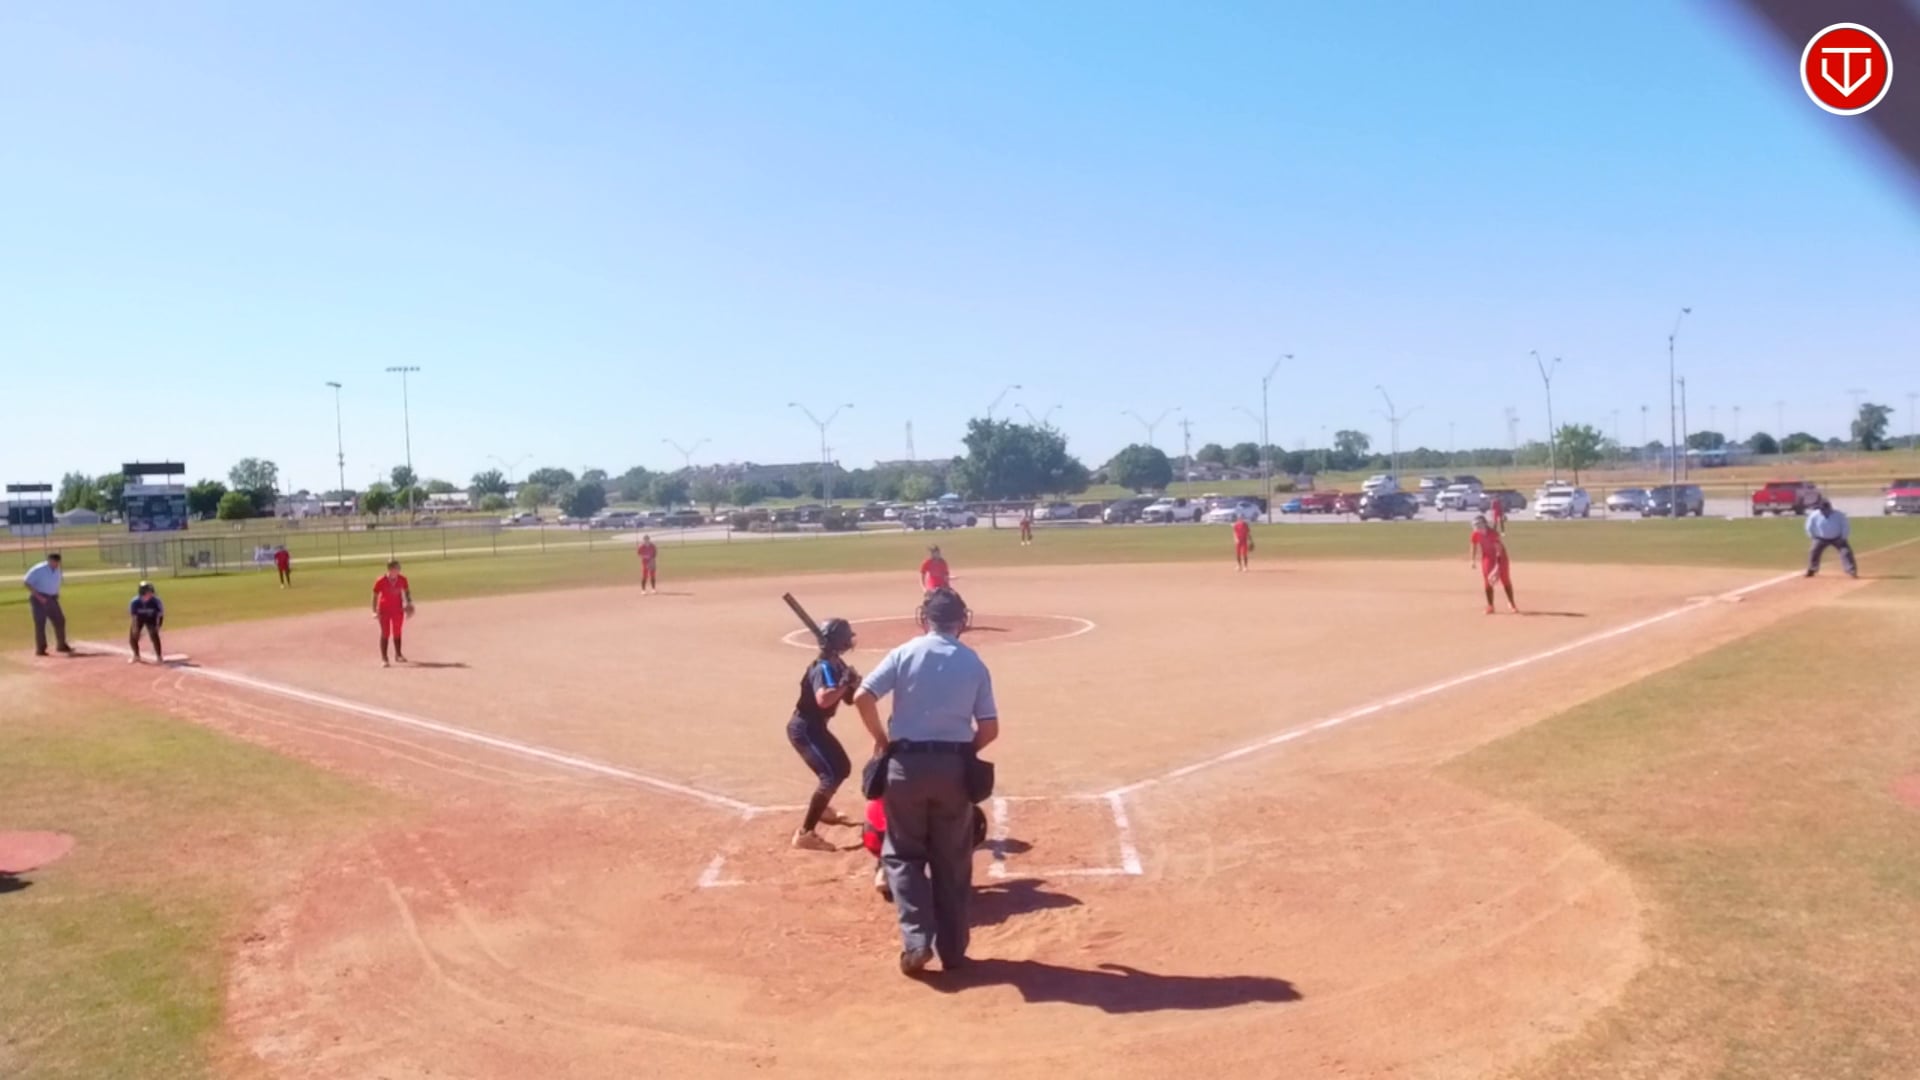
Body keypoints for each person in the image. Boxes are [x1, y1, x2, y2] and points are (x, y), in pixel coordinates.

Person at [853, 586, 999, 977]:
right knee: (953, 862)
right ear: (962, 621)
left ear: (924, 618)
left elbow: (863, 697)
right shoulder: (973, 662)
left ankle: (917, 942)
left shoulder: (904, 653)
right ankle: (953, 952)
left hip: (905, 766)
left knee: (902, 856)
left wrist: (883, 741)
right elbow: (989, 729)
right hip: (953, 771)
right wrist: (962, 752)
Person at [787, 618, 863, 851]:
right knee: (831, 775)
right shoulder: (823, 667)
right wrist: (845, 684)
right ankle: (805, 834)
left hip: (816, 728)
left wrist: (853, 684)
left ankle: (822, 809)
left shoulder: (835, 664)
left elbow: (848, 700)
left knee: (842, 768)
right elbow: (823, 700)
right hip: (804, 729)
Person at [23, 553, 72, 657]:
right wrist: (39, 597)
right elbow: (27, 582)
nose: (56, 564)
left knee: (60, 620)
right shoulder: (39, 569)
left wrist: (56, 593)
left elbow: (54, 583)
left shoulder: (57, 570)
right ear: (49, 560)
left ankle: (61, 645)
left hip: (52, 599)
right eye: (54, 562)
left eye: (57, 562)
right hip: (39, 598)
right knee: (40, 623)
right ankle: (40, 649)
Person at [1470, 514, 1518, 614]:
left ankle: (1512, 603)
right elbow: (1473, 545)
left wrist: (1497, 567)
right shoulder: (1475, 534)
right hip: (1487, 558)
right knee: (1488, 581)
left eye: (1479, 524)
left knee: (1505, 579)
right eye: (1475, 525)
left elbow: (1499, 550)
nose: (1477, 527)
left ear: (1484, 524)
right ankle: (1490, 606)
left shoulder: (1493, 534)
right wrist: (1472, 560)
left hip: (1501, 558)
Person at [372, 560, 415, 667]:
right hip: (384, 610)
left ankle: (398, 655)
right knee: (385, 633)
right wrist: (374, 611)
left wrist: (409, 603)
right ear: (390, 569)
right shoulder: (381, 580)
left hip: (398, 610)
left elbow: (407, 592)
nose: (399, 570)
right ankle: (384, 658)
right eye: (397, 568)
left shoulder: (403, 579)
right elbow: (375, 596)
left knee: (397, 632)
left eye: (399, 568)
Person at [1805, 499, 1858, 578]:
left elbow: (1845, 526)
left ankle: (1851, 570)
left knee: (1846, 552)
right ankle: (1812, 569)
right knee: (1814, 551)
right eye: (1822, 509)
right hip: (1820, 538)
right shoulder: (1814, 515)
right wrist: (1812, 536)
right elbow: (1809, 526)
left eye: (1825, 509)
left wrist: (1843, 537)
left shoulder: (1839, 515)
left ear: (1829, 508)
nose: (1823, 511)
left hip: (1837, 538)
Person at [128, 581, 165, 663]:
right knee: (133, 637)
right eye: (149, 591)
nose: (151, 593)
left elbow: (160, 614)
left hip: (151, 618)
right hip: (139, 619)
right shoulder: (135, 602)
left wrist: (158, 626)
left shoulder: (156, 601)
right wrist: (135, 628)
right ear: (142, 592)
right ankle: (136, 656)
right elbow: (134, 616)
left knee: (154, 635)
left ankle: (159, 657)